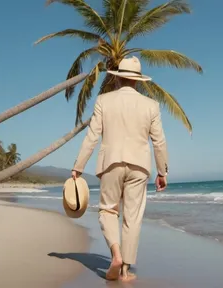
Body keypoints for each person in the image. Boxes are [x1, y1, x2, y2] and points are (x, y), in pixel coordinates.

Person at [71, 56, 169, 282]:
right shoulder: (151, 105)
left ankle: (115, 254)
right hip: (140, 166)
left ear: (118, 78)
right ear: (137, 81)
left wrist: (78, 167)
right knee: (132, 218)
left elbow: (92, 137)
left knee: (108, 210)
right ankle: (125, 269)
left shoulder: (103, 101)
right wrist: (162, 172)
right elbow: (159, 141)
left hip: (111, 163)